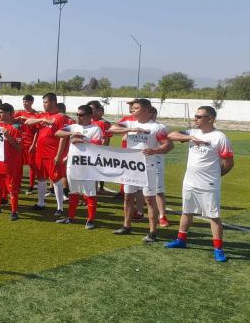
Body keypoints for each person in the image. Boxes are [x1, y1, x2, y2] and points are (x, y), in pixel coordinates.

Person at [165, 106, 234, 262]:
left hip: (208, 183)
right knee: (186, 211)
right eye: (195, 116)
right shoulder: (193, 132)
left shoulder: (220, 137)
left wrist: (216, 175)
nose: (195, 119)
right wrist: (190, 138)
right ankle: (181, 239)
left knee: (213, 216)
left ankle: (218, 249)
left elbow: (228, 162)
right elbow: (170, 135)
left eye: (199, 116)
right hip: (189, 181)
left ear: (210, 119)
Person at [108, 98, 173, 242]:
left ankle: (152, 232)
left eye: (136, 108)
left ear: (145, 110)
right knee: (128, 196)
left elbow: (168, 145)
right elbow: (112, 129)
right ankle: (126, 226)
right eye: (132, 108)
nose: (132, 110)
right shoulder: (130, 123)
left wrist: (155, 150)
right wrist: (130, 129)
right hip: (131, 167)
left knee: (149, 199)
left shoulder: (158, 127)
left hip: (148, 167)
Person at [54, 105, 103, 229]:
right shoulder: (74, 126)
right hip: (73, 164)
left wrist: (82, 140)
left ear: (89, 116)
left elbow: (98, 146)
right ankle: (71, 217)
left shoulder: (95, 129)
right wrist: (71, 133)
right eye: (77, 114)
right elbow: (57, 132)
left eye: (81, 115)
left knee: (90, 192)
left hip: (88, 165)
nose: (78, 117)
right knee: (73, 191)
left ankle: (90, 220)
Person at [23, 93, 70, 215]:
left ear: (53, 102)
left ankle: (60, 208)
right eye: (43, 102)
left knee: (56, 179)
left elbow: (63, 137)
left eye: (46, 102)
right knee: (41, 178)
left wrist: (59, 155)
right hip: (40, 153)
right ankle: (40, 203)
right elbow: (28, 122)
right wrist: (41, 119)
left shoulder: (60, 117)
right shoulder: (43, 116)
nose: (44, 104)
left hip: (52, 153)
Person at [0, 103, 23, 221]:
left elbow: (19, 147)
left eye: (1, 112)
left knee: (12, 188)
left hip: (10, 164)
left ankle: (14, 211)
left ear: (10, 113)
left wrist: (7, 135)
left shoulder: (17, 127)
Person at [14, 95, 38, 193]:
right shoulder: (19, 112)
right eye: (23, 101)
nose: (25, 103)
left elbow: (37, 130)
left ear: (32, 102)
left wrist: (34, 144)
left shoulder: (36, 114)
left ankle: (31, 186)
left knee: (32, 166)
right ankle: (18, 185)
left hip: (30, 143)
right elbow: (11, 120)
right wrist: (18, 118)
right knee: (18, 165)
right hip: (20, 143)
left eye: (27, 101)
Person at [87, 100, 111, 193]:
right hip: (87, 151)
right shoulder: (87, 121)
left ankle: (95, 192)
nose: (90, 111)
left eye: (92, 109)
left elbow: (106, 139)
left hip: (97, 152)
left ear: (98, 110)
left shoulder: (104, 123)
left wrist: (101, 151)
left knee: (96, 173)